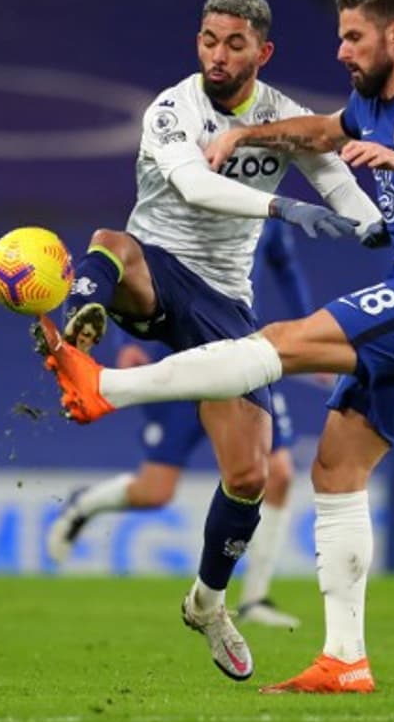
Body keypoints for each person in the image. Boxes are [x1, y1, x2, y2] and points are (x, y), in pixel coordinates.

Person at [37, 0, 394, 694]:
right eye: (339, 36)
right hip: (209, 271)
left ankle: (107, 386)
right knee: (335, 467)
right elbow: (321, 136)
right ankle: (345, 659)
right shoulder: (359, 103)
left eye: (352, 37)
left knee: (279, 363)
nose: (342, 51)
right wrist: (259, 145)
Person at [47, 218, 329, 629]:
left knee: (276, 474)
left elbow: (287, 272)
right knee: (155, 490)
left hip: (243, 355)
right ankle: (83, 505)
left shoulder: (264, 212)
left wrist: (311, 336)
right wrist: (126, 344)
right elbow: (136, 264)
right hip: (181, 358)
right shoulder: (190, 196)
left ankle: (254, 599)